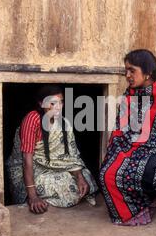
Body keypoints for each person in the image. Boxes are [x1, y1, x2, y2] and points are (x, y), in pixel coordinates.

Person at [99, 49, 156, 226]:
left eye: (132, 70)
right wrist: (121, 146)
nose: (127, 75)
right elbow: (120, 128)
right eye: (126, 71)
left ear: (147, 73)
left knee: (133, 172)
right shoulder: (129, 94)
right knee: (106, 171)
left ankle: (141, 208)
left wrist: (135, 149)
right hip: (131, 147)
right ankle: (133, 210)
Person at [5, 84, 98, 214]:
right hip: (31, 169)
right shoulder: (32, 119)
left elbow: (72, 155)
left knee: (86, 177)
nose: (58, 107)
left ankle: (55, 197)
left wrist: (79, 177)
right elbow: (27, 160)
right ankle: (40, 198)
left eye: (61, 102)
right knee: (54, 185)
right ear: (41, 103)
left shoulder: (64, 123)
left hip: (56, 168)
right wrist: (33, 196)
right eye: (53, 103)